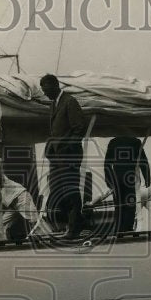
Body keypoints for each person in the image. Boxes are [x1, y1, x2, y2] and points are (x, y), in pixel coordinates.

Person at [41, 73, 88, 239]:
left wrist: (68, 149)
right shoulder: (54, 104)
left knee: (69, 190)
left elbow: (79, 128)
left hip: (69, 156)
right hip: (56, 158)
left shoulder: (70, 102)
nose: (44, 93)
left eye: (45, 89)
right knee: (56, 191)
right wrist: (49, 149)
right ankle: (76, 222)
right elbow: (54, 132)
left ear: (55, 86)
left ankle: (74, 227)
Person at [104, 136, 151, 233]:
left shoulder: (113, 142)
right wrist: (147, 178)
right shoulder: (136, 141)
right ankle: (127, 228)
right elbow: (143, 161)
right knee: (130, 203)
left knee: (119, 204)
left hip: (117, 177)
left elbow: (107, 163)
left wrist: (109, 181)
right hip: (130, 176)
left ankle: (119, 228)